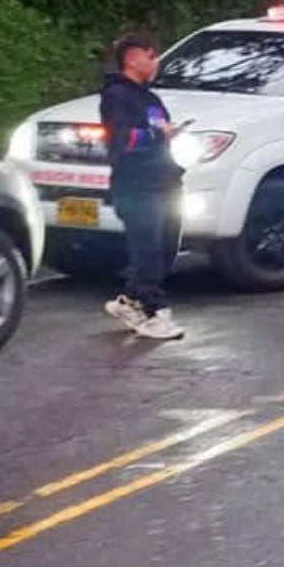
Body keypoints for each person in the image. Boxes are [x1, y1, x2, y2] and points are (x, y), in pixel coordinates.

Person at [100, 33, 187, 340]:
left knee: (165, 246)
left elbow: (157, 133)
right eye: (152, 56)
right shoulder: (117, 96)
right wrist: (158, 135)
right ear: (133, 58)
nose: (156, 63)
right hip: (136, 186)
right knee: (147, 248)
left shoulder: (150, 98)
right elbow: (124, 140)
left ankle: (131, 299)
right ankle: (150, 311)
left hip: (163, 181)